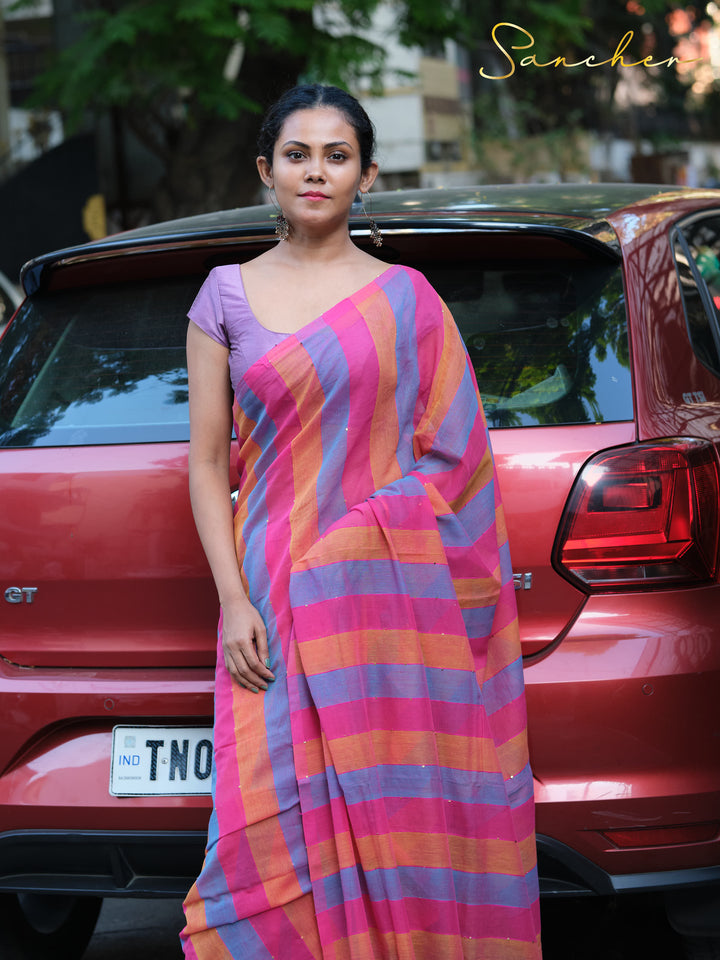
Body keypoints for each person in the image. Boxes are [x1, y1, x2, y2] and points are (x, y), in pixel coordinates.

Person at [181, 83, 541, 960]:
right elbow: (204, 465)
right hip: (267, 592)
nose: (316, 172)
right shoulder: (223, 296)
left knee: (395, 808)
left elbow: (456, 458)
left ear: (367, 174)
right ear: (266, 171)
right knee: (267, 817)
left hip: (383, 605)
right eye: (297, 155)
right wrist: (234, 600)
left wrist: (352, 548)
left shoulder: (408, 299)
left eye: (336, 156)